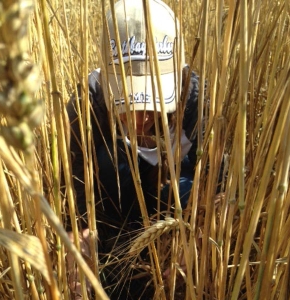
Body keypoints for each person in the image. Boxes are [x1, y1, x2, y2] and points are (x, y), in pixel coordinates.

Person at [65, 0, 201, 299]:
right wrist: (78, 232)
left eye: (153, 104)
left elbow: (219, 181)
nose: (140, 119)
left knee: (186, 186)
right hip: (113, 198)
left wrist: (198, 232)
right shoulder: (87, 102)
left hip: (174, 198)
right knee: (110, 162)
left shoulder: (194, 97)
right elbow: (74, 181)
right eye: (127, 103)